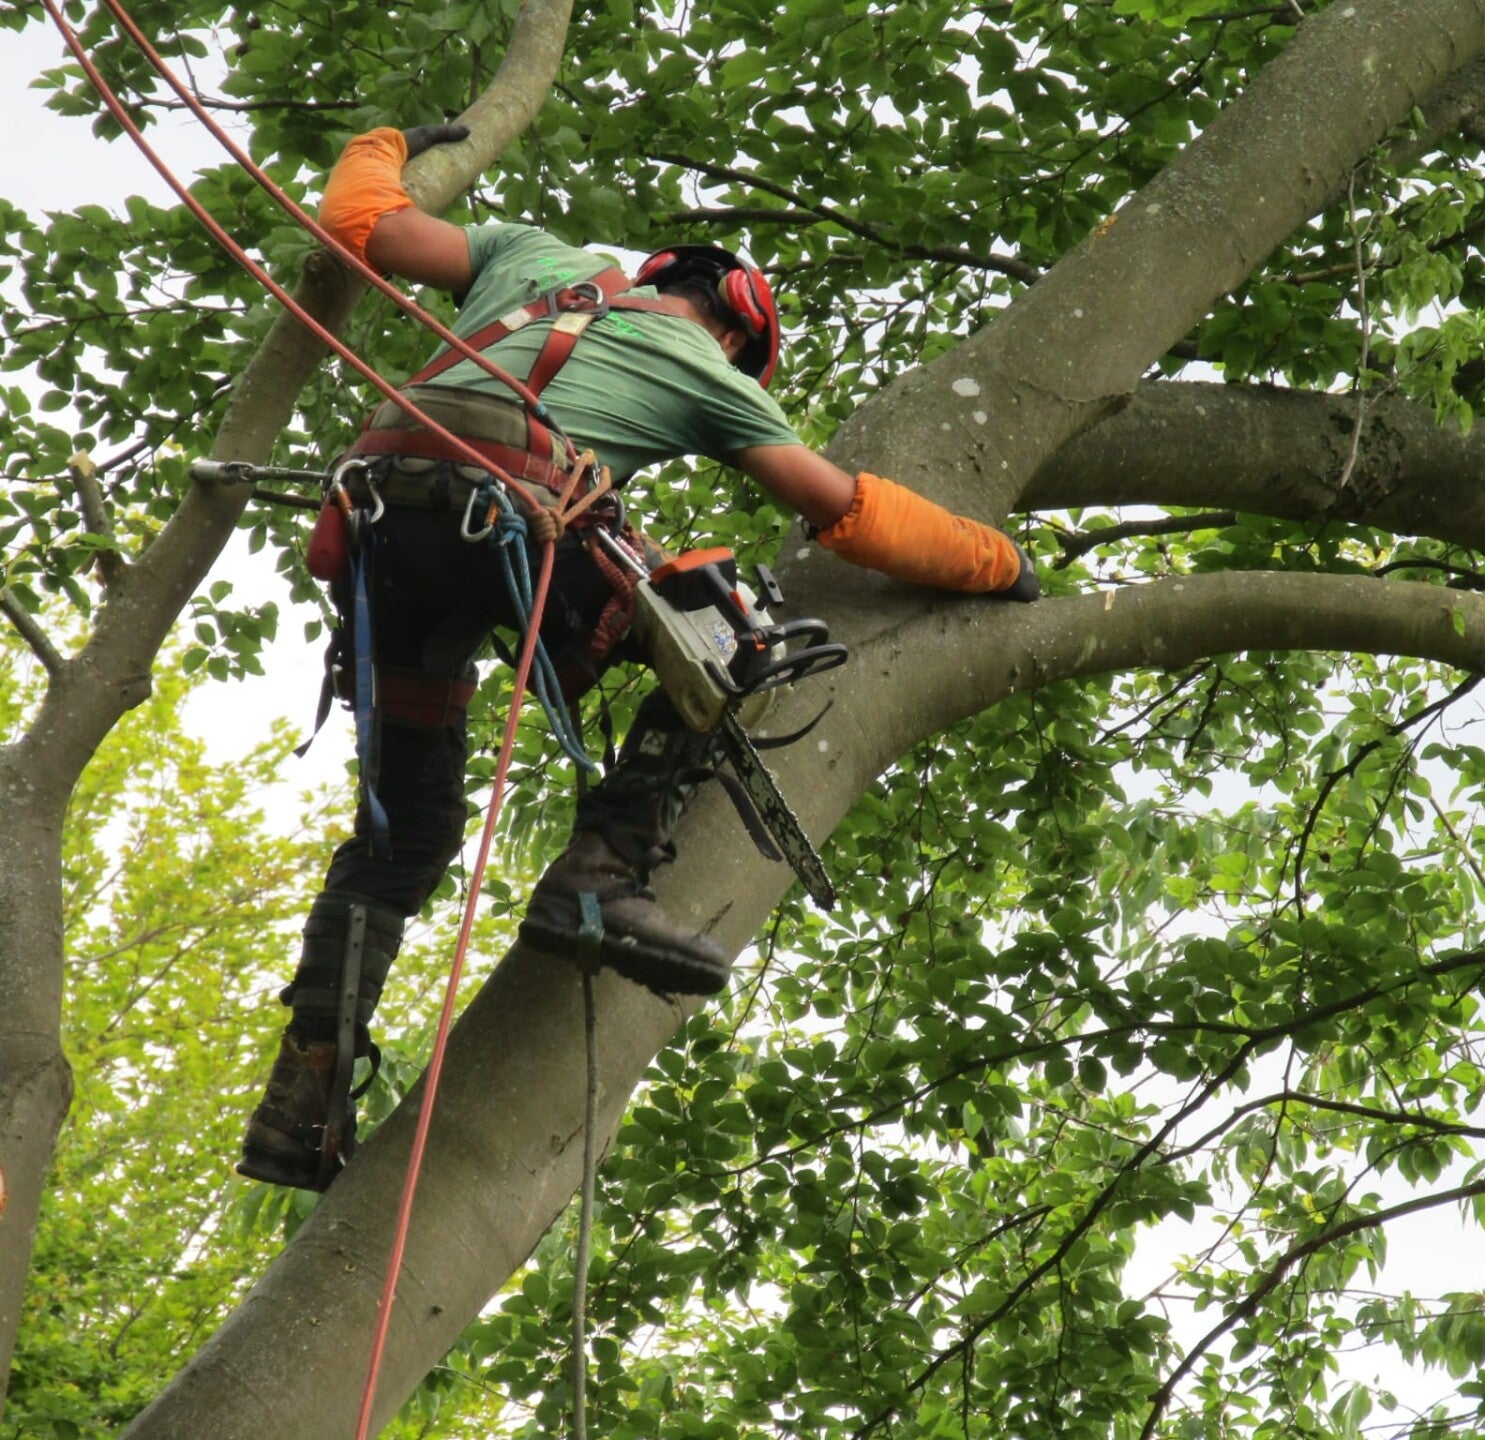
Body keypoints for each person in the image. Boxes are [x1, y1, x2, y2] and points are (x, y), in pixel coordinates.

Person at [237, 123, 1038, 1191]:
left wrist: (383, 142)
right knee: (734, 626)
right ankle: (599, 877)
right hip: (506, 523)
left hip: (385, 538)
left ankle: (301, 1099)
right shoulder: (708, 368)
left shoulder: (530, 256)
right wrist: (999, 563)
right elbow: (844, 511)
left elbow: (357, 225)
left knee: (405, 837)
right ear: (738, 330)